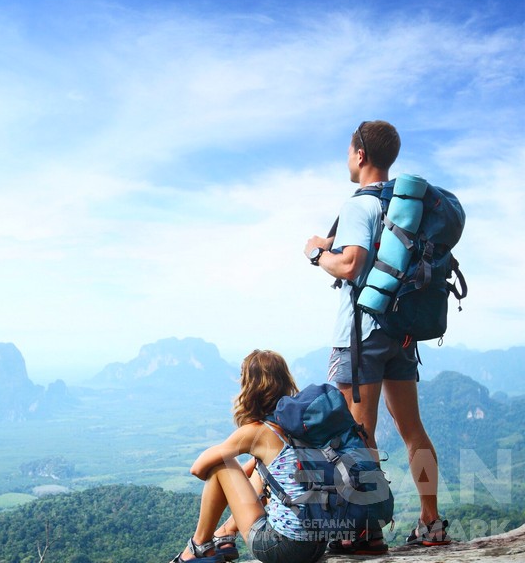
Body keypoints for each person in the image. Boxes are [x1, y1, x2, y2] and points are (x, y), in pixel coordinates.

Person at [303, 120, 451, 554]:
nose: (347, 158)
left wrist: (316, 253)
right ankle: (431, 523)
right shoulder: (404, 207)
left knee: (357, 433)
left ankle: (364, 532)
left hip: (362, 334)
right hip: (403, 333)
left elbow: (350, 265)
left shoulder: (359, 206)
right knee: (413, 431)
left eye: (349, 151)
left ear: (361, 154)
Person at [168, 349, 327, 563]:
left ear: (251, 387)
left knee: (221, 464)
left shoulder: (258, 431)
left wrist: (224, 458)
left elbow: (197, 468)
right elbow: (252, 479)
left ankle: (199, 547)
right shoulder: (297, 427)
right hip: (316, 546)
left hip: (282, 549)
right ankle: (223, 535)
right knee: (258, 469)